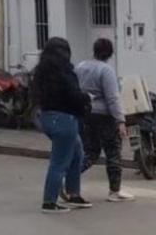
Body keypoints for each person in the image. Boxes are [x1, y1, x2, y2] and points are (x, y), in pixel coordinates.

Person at [32, 37, 92, 213]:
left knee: (77, 153)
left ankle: (73, 194)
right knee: (60, 161)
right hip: (65, 119)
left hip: (47, 117)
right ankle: (49, 202)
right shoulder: (64, 73)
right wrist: (87, 98)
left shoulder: (40, 72)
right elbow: (73, 95)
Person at [76, 38, 134, 202]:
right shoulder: (106, 70)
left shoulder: (80, 67)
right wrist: (120, 120)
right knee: (113, 152)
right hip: (104, 116)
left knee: (90, 152)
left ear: (94, 50)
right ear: (110, 53)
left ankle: (67, 176)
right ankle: (114, 191)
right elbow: (112, 98)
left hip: (86, 113)